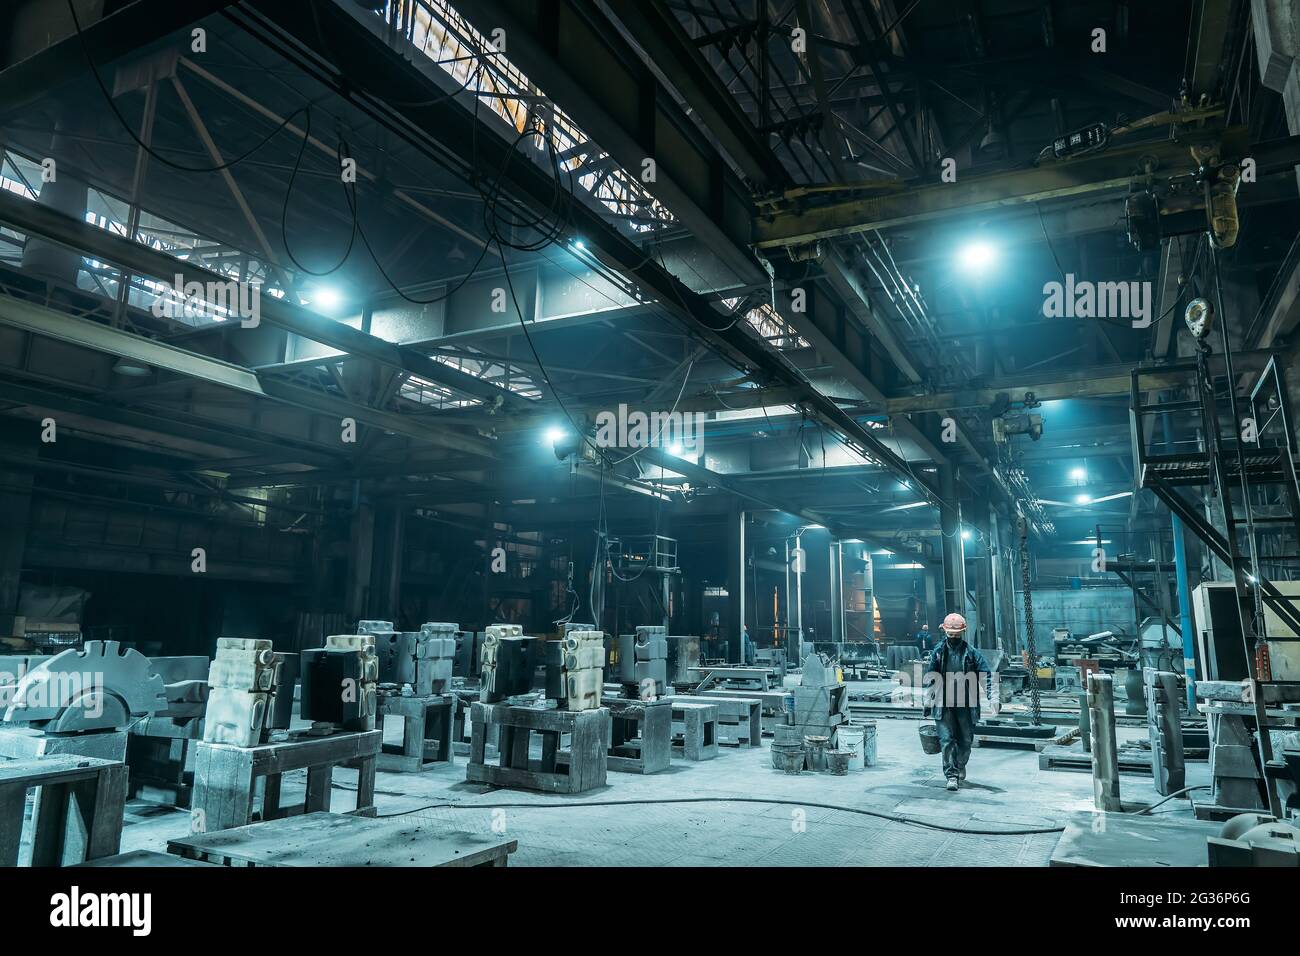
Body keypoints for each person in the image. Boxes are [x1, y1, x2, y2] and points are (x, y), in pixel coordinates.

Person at [924, 612, 998, 791]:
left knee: (965, 740)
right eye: (951, 634)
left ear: (962, 633)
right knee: (947, 740)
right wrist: (928, 699)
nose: (954, 638)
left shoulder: (972, 654)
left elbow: (986, 676)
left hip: (966, 704)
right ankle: (951, 775)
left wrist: (993, 696)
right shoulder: (938, 653)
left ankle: (960, 763)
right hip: (944, 704)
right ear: (945, 633)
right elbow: (931, 677)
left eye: (956, 635)